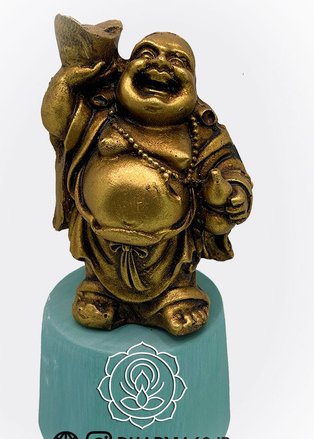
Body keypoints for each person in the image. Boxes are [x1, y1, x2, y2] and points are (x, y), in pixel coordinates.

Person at [42, 31, 252, 335]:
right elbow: (57, 121)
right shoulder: (102, 112)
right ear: (124, 68)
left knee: (175, 273)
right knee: (102, 271)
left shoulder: (201, 131)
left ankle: (174, 298)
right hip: (100, 237)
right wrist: (66, 80)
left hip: (170, 244)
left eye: (178, 60)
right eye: (147, 54)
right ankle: (99, 291)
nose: (161, 64)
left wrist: (234, 195)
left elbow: (230, 168)